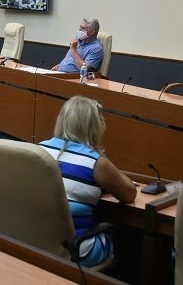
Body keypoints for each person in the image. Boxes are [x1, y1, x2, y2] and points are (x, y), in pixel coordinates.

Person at [39, 96, 136, 267]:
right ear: (95, 126)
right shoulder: (96, 163)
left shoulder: (39, 149)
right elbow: (129, 193)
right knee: (124, 239)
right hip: (74, 249)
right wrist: (99, 154)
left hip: (35, 239)